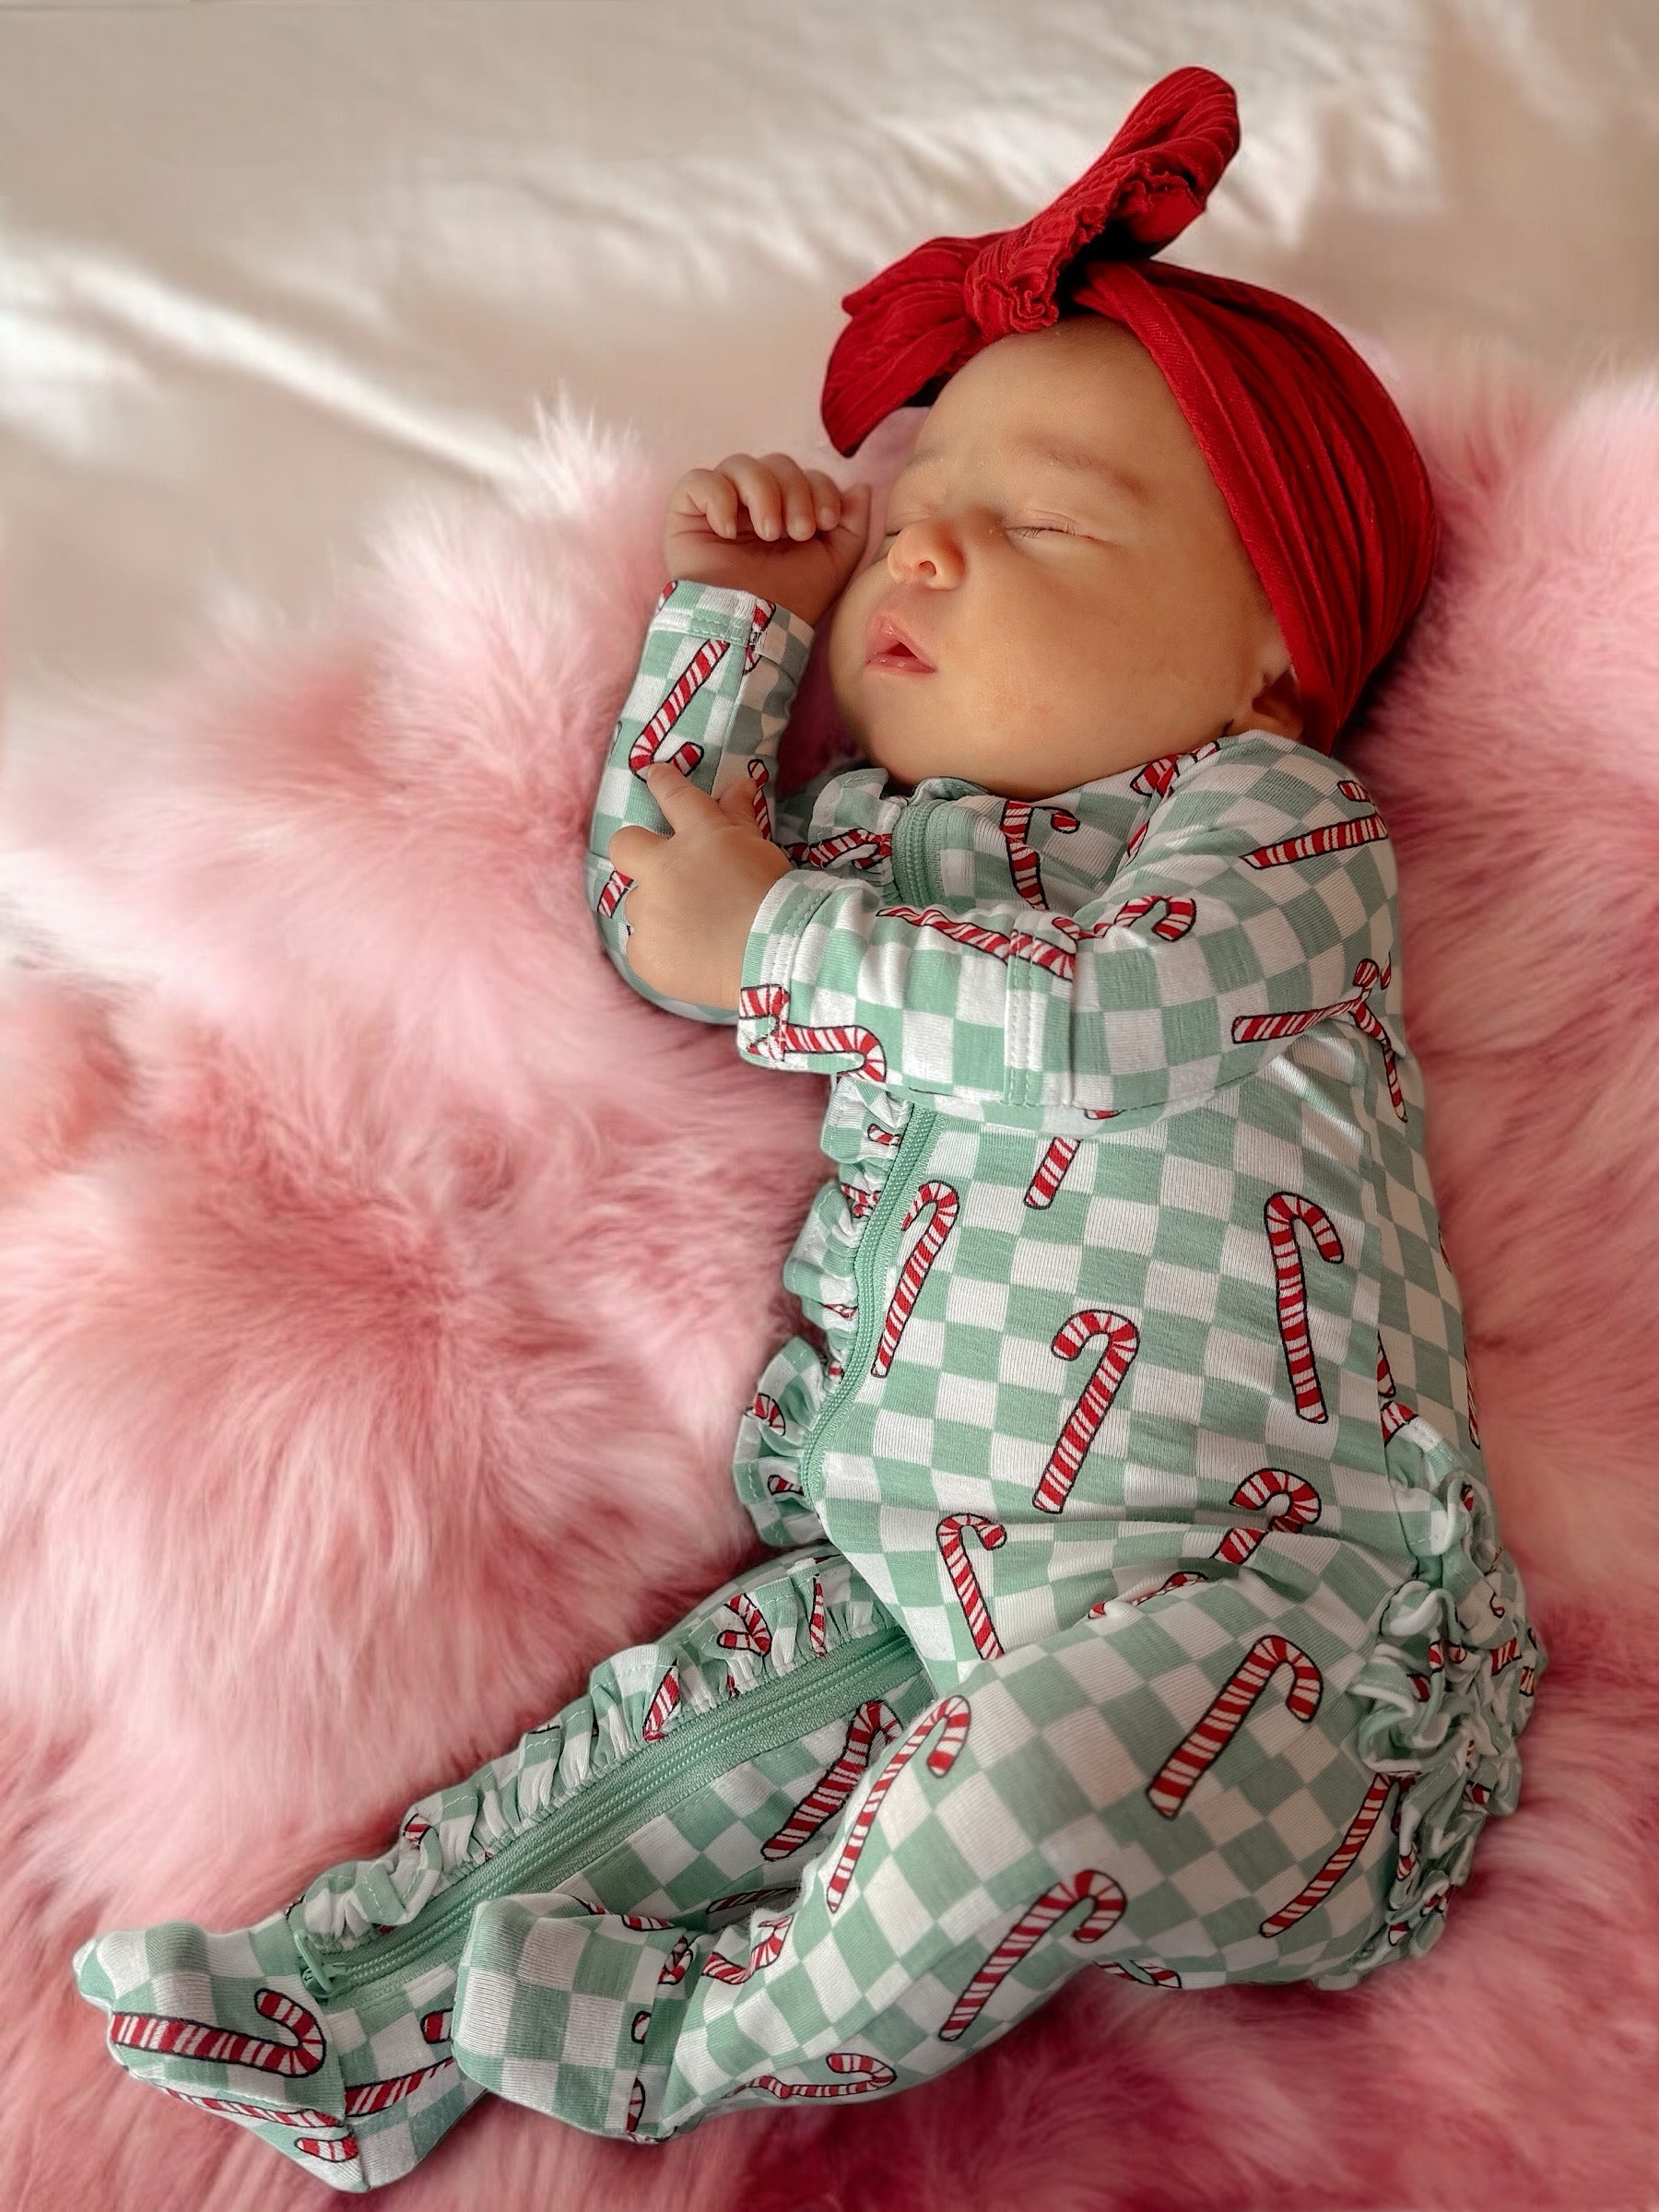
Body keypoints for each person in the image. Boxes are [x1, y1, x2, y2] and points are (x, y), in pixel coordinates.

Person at [72, 65, 1546, 2190]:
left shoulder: (1274, 838)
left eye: (1047, 524)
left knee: (1029, 1772)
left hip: (1291, 1669)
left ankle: (689, 2040)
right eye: (922, 493)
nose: (924, 537)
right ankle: (359, 2001)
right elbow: (671, 917)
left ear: (1270, 653)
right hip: (923, 1577)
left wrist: (779, 936)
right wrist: (737, 629)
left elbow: (1095, 1034)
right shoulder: (874, 858)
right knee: (678, 1740)